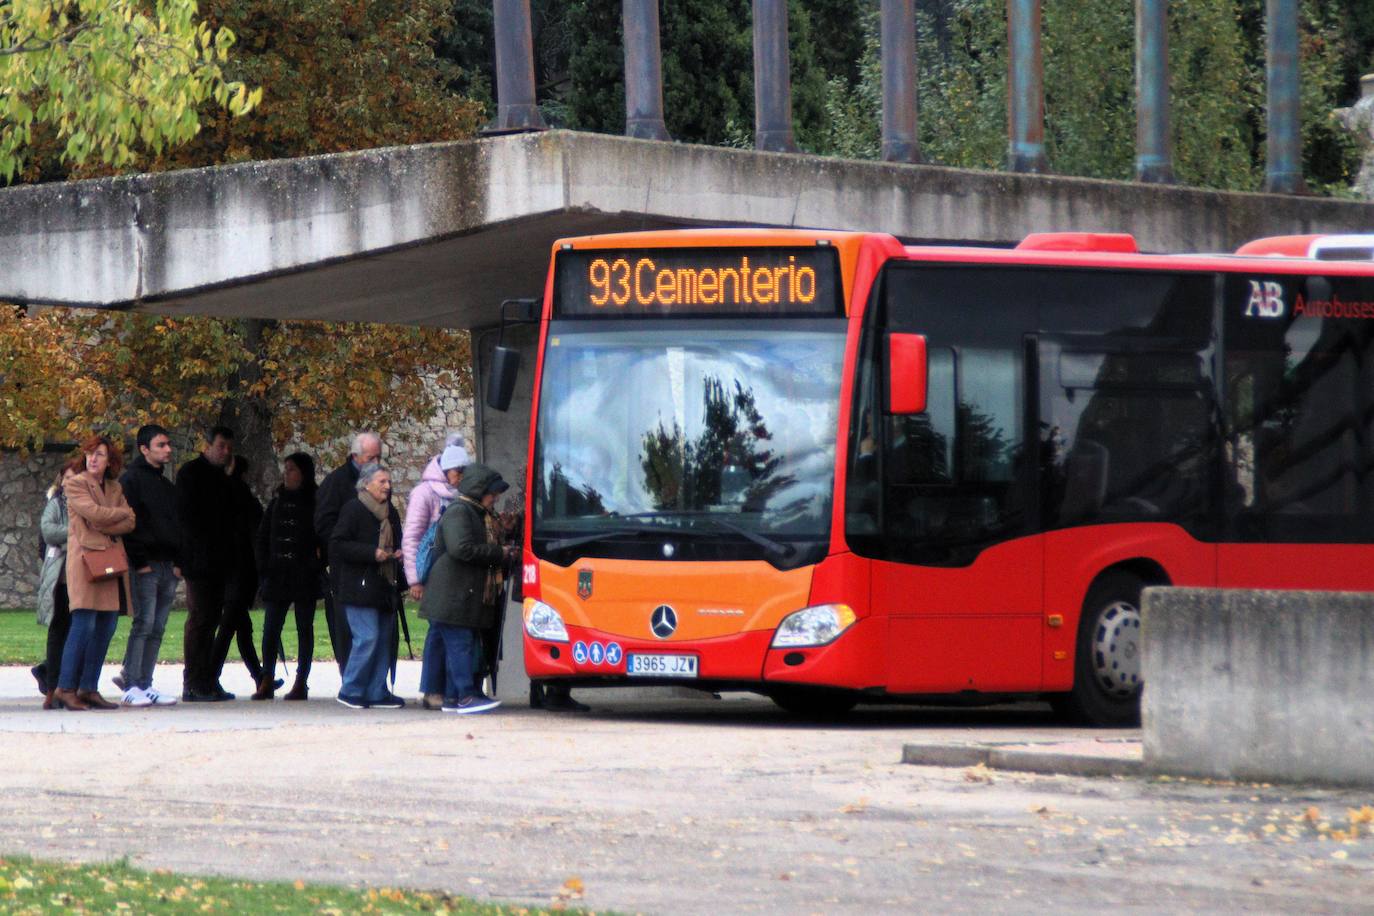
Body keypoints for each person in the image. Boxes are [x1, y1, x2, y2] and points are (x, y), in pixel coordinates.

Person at [418, 463, 512, 714]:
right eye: (492, 492)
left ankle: (452, 697)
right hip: (452, 594)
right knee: (460, 644)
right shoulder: (461, 512)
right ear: (480, 490)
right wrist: (499, 553)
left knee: (460, 643)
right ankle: (466, 696)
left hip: (461, 593)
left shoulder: (477, 512)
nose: (496, 497)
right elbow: (461, 548)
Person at [54, 434, 136, 711]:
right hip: (85, 562)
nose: (93, 458)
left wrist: (105, 520)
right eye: (90, 453)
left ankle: (89, 688)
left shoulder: (115, 487)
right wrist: (110, 518)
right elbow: (95, 514)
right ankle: (65, 688)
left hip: (110, 561)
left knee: (106, 626)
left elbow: (130, 520)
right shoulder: (74, 483)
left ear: (110, 460)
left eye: (100, 454)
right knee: (83, 624)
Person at [114, 424, 181, 707]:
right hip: (146, 565)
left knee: (158, 626)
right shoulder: (132, 480)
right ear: (144, 449)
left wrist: (179, 563)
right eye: (161, 445)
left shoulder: (166, 485)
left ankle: (145, 682)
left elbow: (178, 525)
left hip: (168, 565)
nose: (167, 450)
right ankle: (131, 682)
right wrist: (139, 562)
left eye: (168, 444)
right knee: (144, 622)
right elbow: (130, 525)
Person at [330, 462, 407, 709]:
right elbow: (339, 544)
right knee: (368, 637)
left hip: (385, 584)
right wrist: (371, 553)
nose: (387, 486)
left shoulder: (390, 512)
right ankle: (351, 689)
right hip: (358, 586)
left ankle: (376, 690)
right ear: (366, 484)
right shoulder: (353, 509)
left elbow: (399, 539)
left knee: (384, 638)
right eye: (382, 481)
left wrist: (399, 553)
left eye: (388, 481)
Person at [404, 440, 469, 710]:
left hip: (453, 573)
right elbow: (412, 537)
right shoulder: (424, 493)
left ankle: (443, 689)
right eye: (457, 472)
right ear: (446, 470)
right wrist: (414, 579)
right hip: (432, 572)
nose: (460, 478)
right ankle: (434, 689)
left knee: (442, 631)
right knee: (437, 631)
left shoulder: (458, 493)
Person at [176, 425, 238, 701]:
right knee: (200, 619)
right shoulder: (190, 474)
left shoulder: (223, 478)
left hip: (220, 560)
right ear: (208, 445)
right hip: (198, 560)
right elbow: (186, 520)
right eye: (221, 446)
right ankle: (193, 681)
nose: (225, 452)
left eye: (228, 447)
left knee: (212, 618)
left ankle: (208, 679)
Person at [254, 452, 321, 701]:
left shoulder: (315, 501)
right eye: (286, 469)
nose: (287, 473)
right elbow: (263, 537)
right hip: (277, 574)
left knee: (305, 628)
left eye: (292, 469)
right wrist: (264, 567)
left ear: (303, 473)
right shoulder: (277, 502)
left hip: (304, 575)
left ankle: (301, 681)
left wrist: (315, 563)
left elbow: (322, 536)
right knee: (271, 628)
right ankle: (267, 678)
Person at [315, 431, 381, 675]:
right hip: (346, 569)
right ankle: (352, 680)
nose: (376, 463)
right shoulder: (336, 483)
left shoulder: (378, 482)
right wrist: (351, 547)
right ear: (356, 456)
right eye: (371, 458)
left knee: (375, 628)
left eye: (379, 458)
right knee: (348, 627)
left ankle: (374, 681)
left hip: (374, 566)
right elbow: (324, 525)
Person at [211, 454, 269, 691]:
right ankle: (212, 674)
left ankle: (258, 676)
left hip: (234, 569)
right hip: (239, 570)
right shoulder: (241, 498)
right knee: (231, 625)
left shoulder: (227, 496)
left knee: (239, 625)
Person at [34, 469, 72, 709]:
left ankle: (54, 675)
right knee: (60, 628)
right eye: (68, 477)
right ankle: (52, 683)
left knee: (77, 631)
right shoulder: (56, 504)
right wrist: (78, 534)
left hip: (83, 574)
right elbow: (47, 534)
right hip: (60, 575)